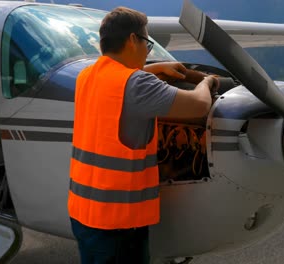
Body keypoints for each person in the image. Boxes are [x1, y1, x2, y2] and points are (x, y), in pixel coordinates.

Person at [68, 6, 218, 264]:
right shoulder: (138, 85)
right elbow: (199, 105)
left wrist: (157, 66)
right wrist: (206, 83)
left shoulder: (87, 76)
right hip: (119, 224)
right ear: (133, 40)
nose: (146, 52)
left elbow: (122, 83)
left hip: (84, 214)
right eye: (147, 44)